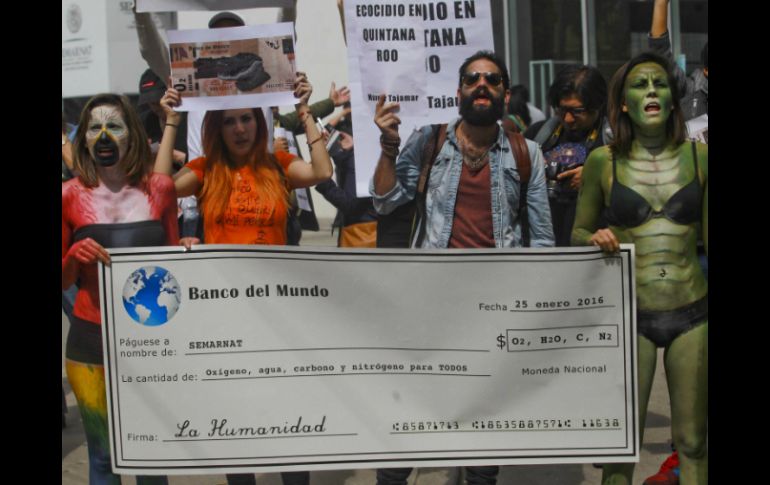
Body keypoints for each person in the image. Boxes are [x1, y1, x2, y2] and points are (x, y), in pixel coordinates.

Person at [370, 50, 554, 484]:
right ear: (458, 92)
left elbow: (542, 240)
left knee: (483, 439)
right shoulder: (428, 141)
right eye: (472, 79)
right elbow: (385, 201)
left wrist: (531, 311)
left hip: (493, 314)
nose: (481, 85)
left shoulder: (526, 154)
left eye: (492, 79)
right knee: (406, 425)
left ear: (504, 93)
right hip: (427, 307)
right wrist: (389, 146)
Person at [156, 72, 332, 485]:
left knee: (288, 415)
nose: (239, 129)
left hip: (279, 314)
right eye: (230, 121)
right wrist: (171, 120)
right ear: (217, 129)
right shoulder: (205, 170)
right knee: (235, 420)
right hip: (226, 318)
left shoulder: (278, 165)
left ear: (259, 123)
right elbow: (160, 189)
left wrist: (304, 110)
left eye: (247, 119)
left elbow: (322, 171)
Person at [571, 51, 707, 485]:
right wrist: (594, 238)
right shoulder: (603, 161)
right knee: (621, 445)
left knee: (694, 442)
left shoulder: (700, 158)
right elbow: (577, 232)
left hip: (693, 310)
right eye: (640, 84)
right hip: (631, 315)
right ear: (624, 103)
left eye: (660, 84)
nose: (651, 91)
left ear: (672, 100)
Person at [62, 93, 178, 485]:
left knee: (150, 455)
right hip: (89, 342)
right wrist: (73, 256)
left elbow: (174, 265)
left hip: (151, 342)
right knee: (102, 456)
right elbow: (62, 280)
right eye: (94, 127)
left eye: (114, 126)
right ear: (83, 137)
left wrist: (188, 250)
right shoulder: (68, 195)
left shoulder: (160, 189)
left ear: (132, 134)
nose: (104, 136)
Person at [524, 65, 611, 246]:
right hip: (543, 244)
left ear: (598, 105)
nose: (568, 119)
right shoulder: (538, 135)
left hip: (593, 246)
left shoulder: (614, 138)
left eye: (578, 111)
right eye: (562, 110)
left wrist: (595, 179)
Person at [315, 119, 378, 247]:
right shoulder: (362, 155)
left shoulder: (360, 160)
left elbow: (350, 204)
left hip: (363, 233)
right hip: (361, 229)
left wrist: (323, 179)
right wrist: (340, 154)